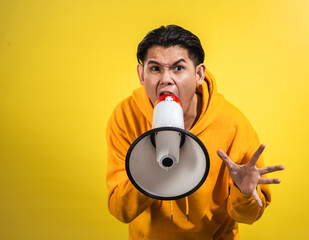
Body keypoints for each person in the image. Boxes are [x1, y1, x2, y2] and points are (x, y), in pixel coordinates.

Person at [106, 25, 284, 239]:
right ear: (141, 74)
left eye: (178, 68)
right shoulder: (126, 116)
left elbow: (249, 216)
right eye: (155, 69)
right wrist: (150, 168)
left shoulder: (232, 124)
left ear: (199, 74)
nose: (166, 79)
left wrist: (243, 192)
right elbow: (120, 210)